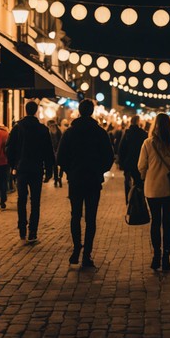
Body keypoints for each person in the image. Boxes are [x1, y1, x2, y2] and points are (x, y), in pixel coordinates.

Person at [55, 99, 114, 268]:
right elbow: (109, 157)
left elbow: (60, 157)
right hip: (93, 180)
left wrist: (70, 171)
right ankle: (87, 254)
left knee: (75, 215)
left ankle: (76, 249)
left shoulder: (70, 133)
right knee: (91, 218)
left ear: (79, 112)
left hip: (76, 179)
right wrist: (99, 170)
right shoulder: (99, 133)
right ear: (92, 112)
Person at [138, 112, 170, 271]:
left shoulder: (147, 143)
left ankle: (156, 256)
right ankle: (166, 257)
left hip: (152, 188)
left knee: (155, 222)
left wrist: (146, 176)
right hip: (169, 188)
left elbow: (141, 166)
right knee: (167, 223)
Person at [6, 102, 55, 242]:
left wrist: (13, 164)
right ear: (35, 111)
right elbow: (48, 151)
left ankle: (22, 227)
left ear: (25, 110)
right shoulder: (42, 129)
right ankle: (33, 231)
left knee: (21, 199)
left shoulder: (17, 128)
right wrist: (49, 170)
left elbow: (8, 148)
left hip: (21, 169)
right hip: (36, 169)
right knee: (35, 201)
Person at [118, 114, 148, 204]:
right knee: (139, 184)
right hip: (139, 163)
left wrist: (122, 163)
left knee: (128, 184)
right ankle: (139, 202)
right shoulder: (143, 134)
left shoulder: (127, 133)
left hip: (128, 164)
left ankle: (129, 201)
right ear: (139, 122)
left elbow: (121, 149)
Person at [47, 120, 63, 187]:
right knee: (55, 166)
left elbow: (61, 141)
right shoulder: (49, 132)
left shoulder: (58, 131)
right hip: (53, 151)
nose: (52, 127)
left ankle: (59, 177)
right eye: (50, 126)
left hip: (58, 150)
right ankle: (56, 179)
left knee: (61, 165)